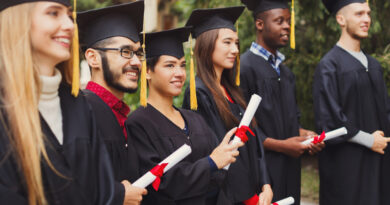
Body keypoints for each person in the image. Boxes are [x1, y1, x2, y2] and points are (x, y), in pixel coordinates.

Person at [0, 0, 116, 204]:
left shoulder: (79, 105)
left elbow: (103, 190)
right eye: (54, 13)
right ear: (18, 21)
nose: (70, 25)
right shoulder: (4, 110)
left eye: (70, 16)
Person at [126, 27, 243, 205]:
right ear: (148, 71)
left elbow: (219, 177)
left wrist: (217, 162)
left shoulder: (195, 120)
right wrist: (210, 164)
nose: (180, 73)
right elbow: (159, 184)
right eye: (170, 65)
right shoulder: (139, 123)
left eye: (182, 65)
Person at [183, 6, 273, 205]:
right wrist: (249, 198)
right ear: (207, 45)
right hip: (228, 197)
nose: (235, 49)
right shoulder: (198, 93)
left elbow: (255, 143)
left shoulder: (232, 90)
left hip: (254, 192)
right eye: (227, 42)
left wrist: (265, 184)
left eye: (236, 43)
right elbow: (219, 151)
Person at [239, 0, 325, 203]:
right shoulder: (244, 68)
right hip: (263, 171)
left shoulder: (285, 73)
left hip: (290, 167)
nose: (287, 26)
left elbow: (291, 118)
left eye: (288, 21)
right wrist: (282, 145)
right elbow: (242, 126)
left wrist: (305, 136)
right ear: (260, 24)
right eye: (279, 21)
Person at [314, 0, 390, 204]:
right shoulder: (329, 66)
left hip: (378, 163)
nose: (366, 19)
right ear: (341, 19)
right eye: (359, 14)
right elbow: (329, 120)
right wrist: (369, 140)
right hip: (346, 168)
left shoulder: (373, 65)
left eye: (368, 13)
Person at [78, 2, 147, 204]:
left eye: (138, 53)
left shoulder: (122, 116)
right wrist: (117, 195)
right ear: (93, 58)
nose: (136, 62)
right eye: (125, 52)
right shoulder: (82, 111)